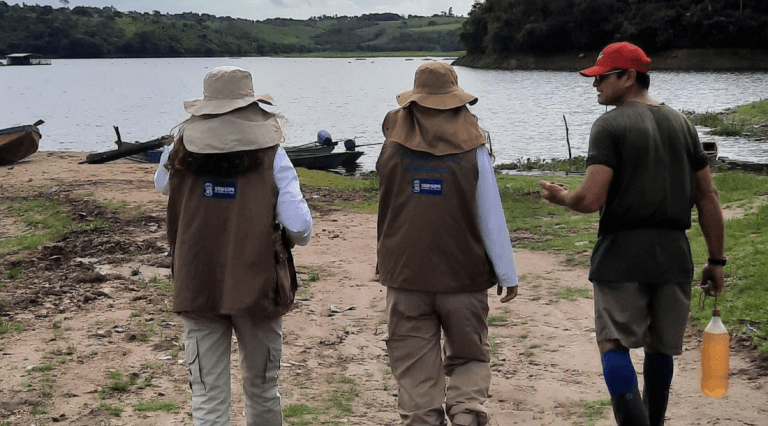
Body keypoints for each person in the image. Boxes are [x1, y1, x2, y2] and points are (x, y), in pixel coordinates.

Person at [538, 42, 725, 426]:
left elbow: (590, 198)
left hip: (621, 252)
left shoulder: (610, 125)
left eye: (602, 78)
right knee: (660, 349)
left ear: (628, 77)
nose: (596, 86)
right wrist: (716, 260)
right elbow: (707, 196)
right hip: (674, 254)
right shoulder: (683, 124)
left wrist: (561, 197)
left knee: (613, 342)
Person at [154, 66, 313, 426]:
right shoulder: (273, 156)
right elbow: (299, 226)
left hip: (197, 283)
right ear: (252, 107)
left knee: (208, 398)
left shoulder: (177, 153)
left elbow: (161, 185)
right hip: (258, 286)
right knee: (262, 390)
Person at [376, 61, 519, 426]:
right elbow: (490, 212)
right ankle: (467, 413)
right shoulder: (474, 144)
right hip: (463, 276)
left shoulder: (391, 140)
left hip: (405, 274)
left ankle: (423, 418)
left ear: (414, 99)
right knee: (470, 356)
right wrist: (506, 271)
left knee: (413, 366)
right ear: (456, 100)